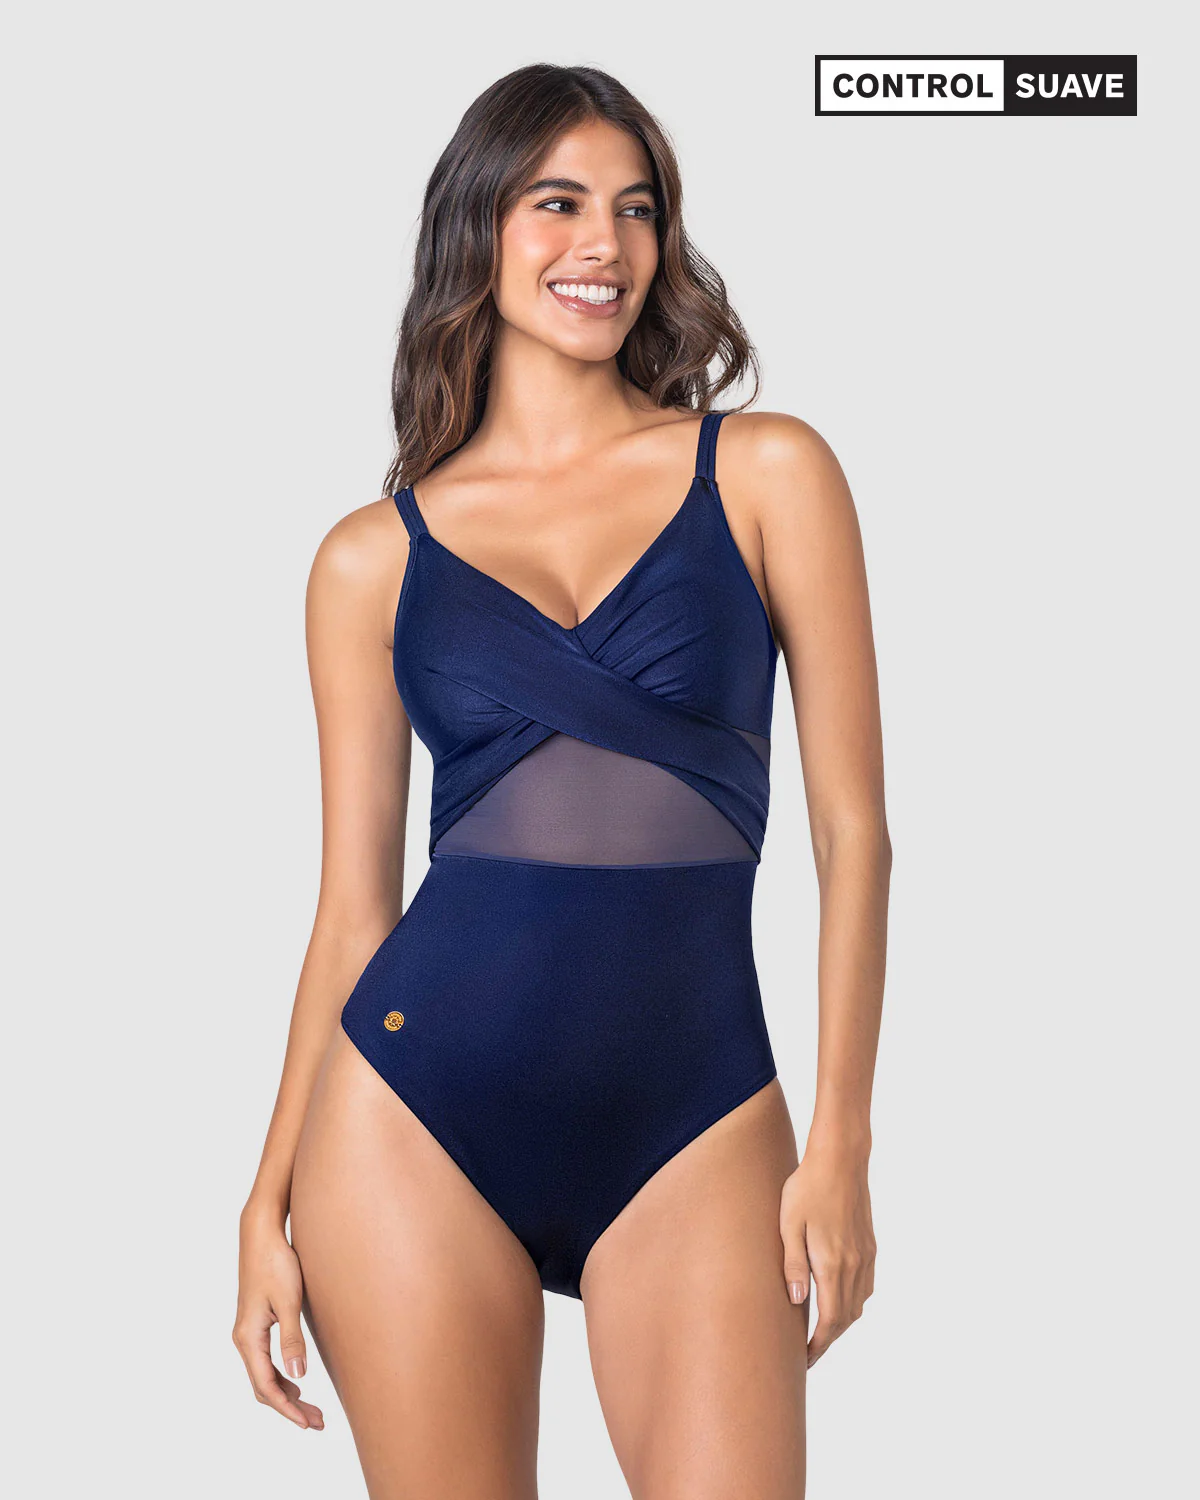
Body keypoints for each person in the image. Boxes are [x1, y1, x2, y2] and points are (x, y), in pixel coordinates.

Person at [234, 62, 890, 1499]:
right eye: (560, 203)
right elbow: (352, 912)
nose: (604, 244)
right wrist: (264, 1199)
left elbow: (855, 835)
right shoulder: (370, 558)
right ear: (479, 225)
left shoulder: (765, 472)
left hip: (699, 1116)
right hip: (410, 1117)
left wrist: (841, 1139)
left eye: (636, 210)